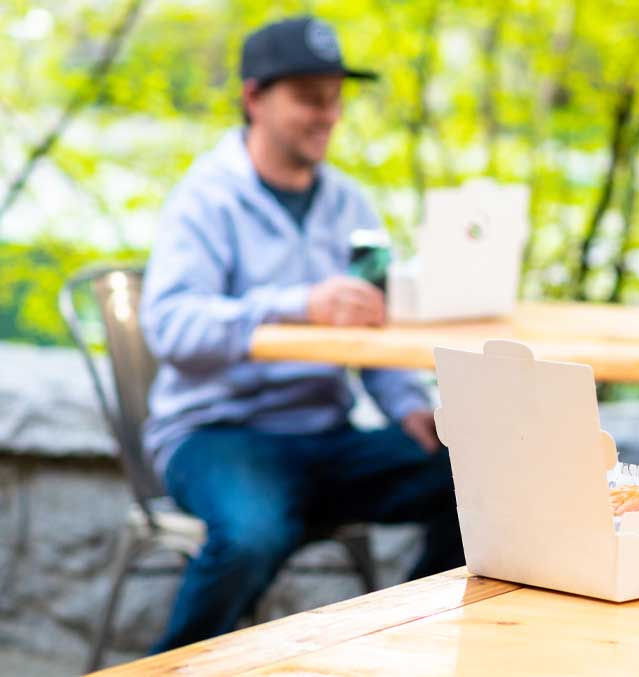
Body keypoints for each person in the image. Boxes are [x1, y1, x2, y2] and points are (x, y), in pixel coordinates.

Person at [140, 16, 463, 651]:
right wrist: (300, 305)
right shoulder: (204, 199)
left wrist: (406, 407)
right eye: (310, 98)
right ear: (254, 97)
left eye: (335, 98)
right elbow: (171, 326)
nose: (329, 114)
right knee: (252, 535)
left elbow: (370, 331)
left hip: (327, 437)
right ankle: (166, 669)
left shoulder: (350, 202)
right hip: (218, 436)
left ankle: (409, 647)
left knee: (483, 479)